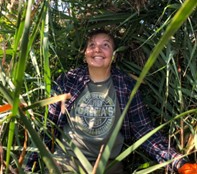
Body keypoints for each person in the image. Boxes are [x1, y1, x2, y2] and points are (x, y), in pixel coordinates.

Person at [26, 29, 197, 173]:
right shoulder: (68, 80)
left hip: (108, 165)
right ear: (85, 54)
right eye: (92, 45)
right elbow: (48, 127)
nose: (97, 50)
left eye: (105, 45)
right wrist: (24, 165)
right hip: (66, 161)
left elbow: (143, 130)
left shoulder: (126, 86)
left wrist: (179, 163)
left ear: (113, 55)